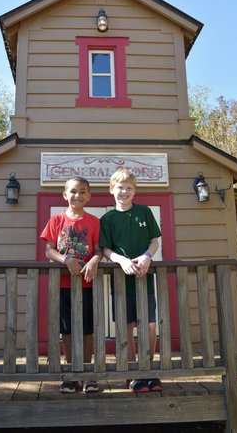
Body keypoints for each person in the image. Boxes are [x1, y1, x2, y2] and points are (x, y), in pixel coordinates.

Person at [98, 168, 163, 393]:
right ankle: (133, 373)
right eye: (120, 187)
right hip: (122, 282)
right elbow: (105, 249)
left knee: (149, 325)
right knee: (126, 327)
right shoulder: (107, 218)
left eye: (128, 188)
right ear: (111, 190)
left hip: (145, 279)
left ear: (134, 191)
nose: (124, 191)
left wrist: (147, 256)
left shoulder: (144, 212)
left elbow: (154, 242)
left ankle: (148, 370)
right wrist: (120, 260)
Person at [38, 176, 100, 394]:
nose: (78, 195)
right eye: (73, 191)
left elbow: (99, 249)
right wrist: (66, 260)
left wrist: (94, 260)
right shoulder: (56, 220)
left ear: (89, 196)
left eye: (83, 191)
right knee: (68, 329)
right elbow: (49, 250)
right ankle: (72, 374)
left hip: (87, 284)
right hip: (64, 285)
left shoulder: (94, 221)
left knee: (87, 329)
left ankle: (88, 373)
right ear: (65, 195)